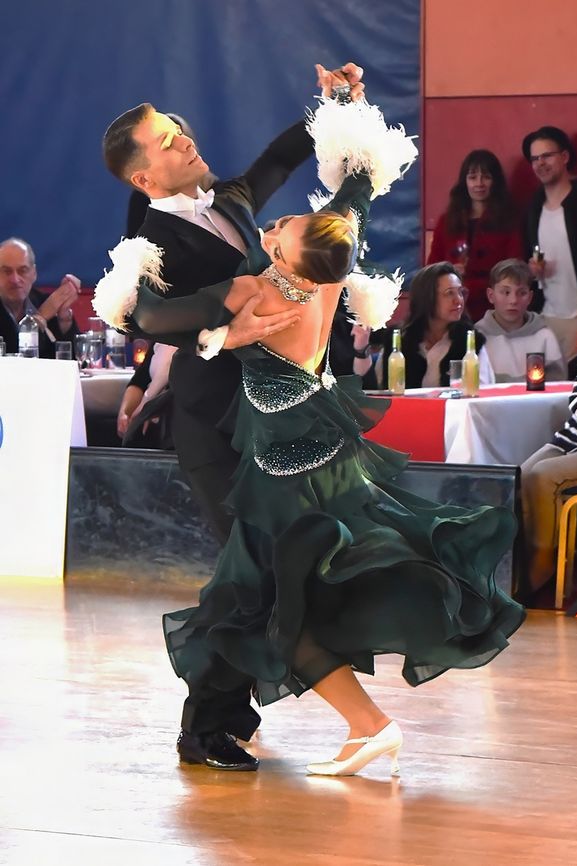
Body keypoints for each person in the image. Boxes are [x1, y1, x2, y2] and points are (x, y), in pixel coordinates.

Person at [98, 142, 524, 776]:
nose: (273, 224)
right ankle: (351, 725)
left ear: (280, 255)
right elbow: (351, 200)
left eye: (280, 228)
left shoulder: (256, 291)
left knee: (266, 603)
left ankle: (364, 724)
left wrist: (211, 327)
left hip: (279, 474)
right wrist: (349, 123)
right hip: (325, 451)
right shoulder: (324, 272)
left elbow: (147, 313)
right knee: (275, 595)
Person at [101, 62, 366, 771]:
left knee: (270, 569)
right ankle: (206, 723)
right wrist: (227, 309)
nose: (182, 139)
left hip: (270, 416)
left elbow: (281, 156)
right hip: (212, 425)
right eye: (164, 141)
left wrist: (333, 104)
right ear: (142, 178)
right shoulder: (147, 242)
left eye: (177, 128)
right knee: (252, 571)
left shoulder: (234, 200)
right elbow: (150, 316)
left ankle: (224, 708)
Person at [521, 341, 577, 594]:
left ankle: (545, 561)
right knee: (517, 479)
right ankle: (518, 563)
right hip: (571, 438)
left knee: (542, 476)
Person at [522, 125, 577, 361]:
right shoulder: (533, 209)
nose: (540, 163)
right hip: (546, 318)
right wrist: (532, 270)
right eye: (535, 158)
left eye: (547, 155)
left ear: (565, 157)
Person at [427, 149, 523, 322]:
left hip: (495, 311)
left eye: (486, 177)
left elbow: (515, 269)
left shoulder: (509, 220)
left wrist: (476, 286)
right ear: (465, 182)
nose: (479, 183)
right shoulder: (447, 220)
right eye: (472, 177)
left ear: (496, 182)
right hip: (452, 309)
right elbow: (431, 269)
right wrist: (450, 271)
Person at [380, 262, 495, 389]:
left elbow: (482, 394)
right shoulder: (398, 340)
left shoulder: (471, 342)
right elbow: (379, 392)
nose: (458, 300)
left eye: (460, 292)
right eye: (449, 293)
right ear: (427, 298)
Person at [475, 258, 566, 382]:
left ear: (529, 297)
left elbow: (558, 385)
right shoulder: (477, 337)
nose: (513, 300)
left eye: (521, 293)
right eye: (506, 292)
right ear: (491, 295)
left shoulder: (544, 336)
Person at [0, 237, 80, 357]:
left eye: (23, 270)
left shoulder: (43, 302)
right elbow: (11, 358)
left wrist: (64, 320)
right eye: (7, 271)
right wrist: (40, 317)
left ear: (34, 274)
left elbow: (74, 361)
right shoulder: (48, 307)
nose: (15, 280)